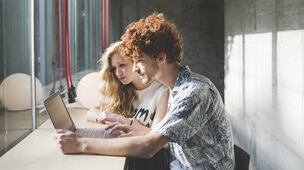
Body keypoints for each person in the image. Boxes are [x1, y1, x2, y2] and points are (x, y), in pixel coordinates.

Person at [54, 12, 235, 169]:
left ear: (161, 58)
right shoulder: (178, 88)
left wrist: (81, 143)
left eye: (138, 60)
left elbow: (148, 148)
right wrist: (139, 131)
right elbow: (167, 139)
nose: (135, 68)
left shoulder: (194, 92)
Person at [84, 41, 171, 169]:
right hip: (127, 154)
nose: (118, 72)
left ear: (136, 62)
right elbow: (91, 112)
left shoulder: (161, 92)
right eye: (114, 68)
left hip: (151, 161)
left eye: (122, 65)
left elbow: (157, 138)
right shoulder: (123, 90)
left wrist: (123, 121)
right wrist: (112, 119)